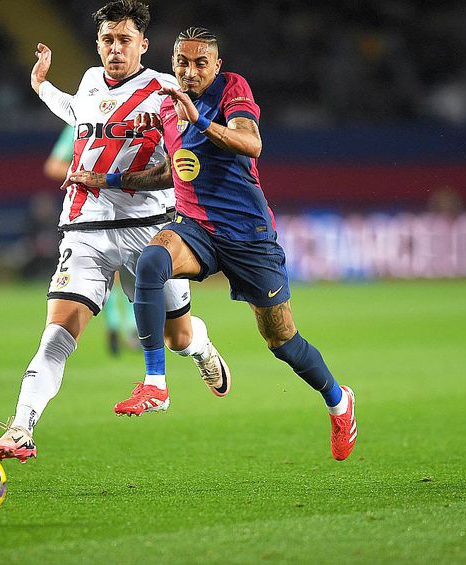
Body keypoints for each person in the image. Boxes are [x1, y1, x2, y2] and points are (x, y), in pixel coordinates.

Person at [70, 28, 357, 461]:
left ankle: (339, 401)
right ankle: (155, 383)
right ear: (173, 64)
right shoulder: (167, 104)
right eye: (182, 63)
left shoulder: (232, 90)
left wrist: (201, 119)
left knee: (283, 342)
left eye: (200, 63)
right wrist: (107, 180)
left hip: (248, 237)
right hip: (196, 230)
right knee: (151, 262)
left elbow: (252, 143)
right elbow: (171, 171)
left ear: (216, 65)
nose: (190, 71)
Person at [0, 1, 230, 463]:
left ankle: (201, 348)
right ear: (99, 43)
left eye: (124, 40)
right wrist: (41, 85)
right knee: (57, 335)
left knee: (176, 338)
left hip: (150, 233)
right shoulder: (90, 81)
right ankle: (21, 427)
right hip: (86, 228)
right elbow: (78, 112)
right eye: (107, 40)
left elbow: (184, 163)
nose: (115, 49)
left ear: (143, 44)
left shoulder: (167, 89)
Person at [45, 125, 139, 356]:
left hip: (131, 209)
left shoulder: (133, 118)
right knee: (108, 270)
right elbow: (53, 166)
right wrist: (87, 174)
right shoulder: (81, 122)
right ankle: (122, 327)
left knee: (128, 270)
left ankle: (125, 327)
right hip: (92, 213)